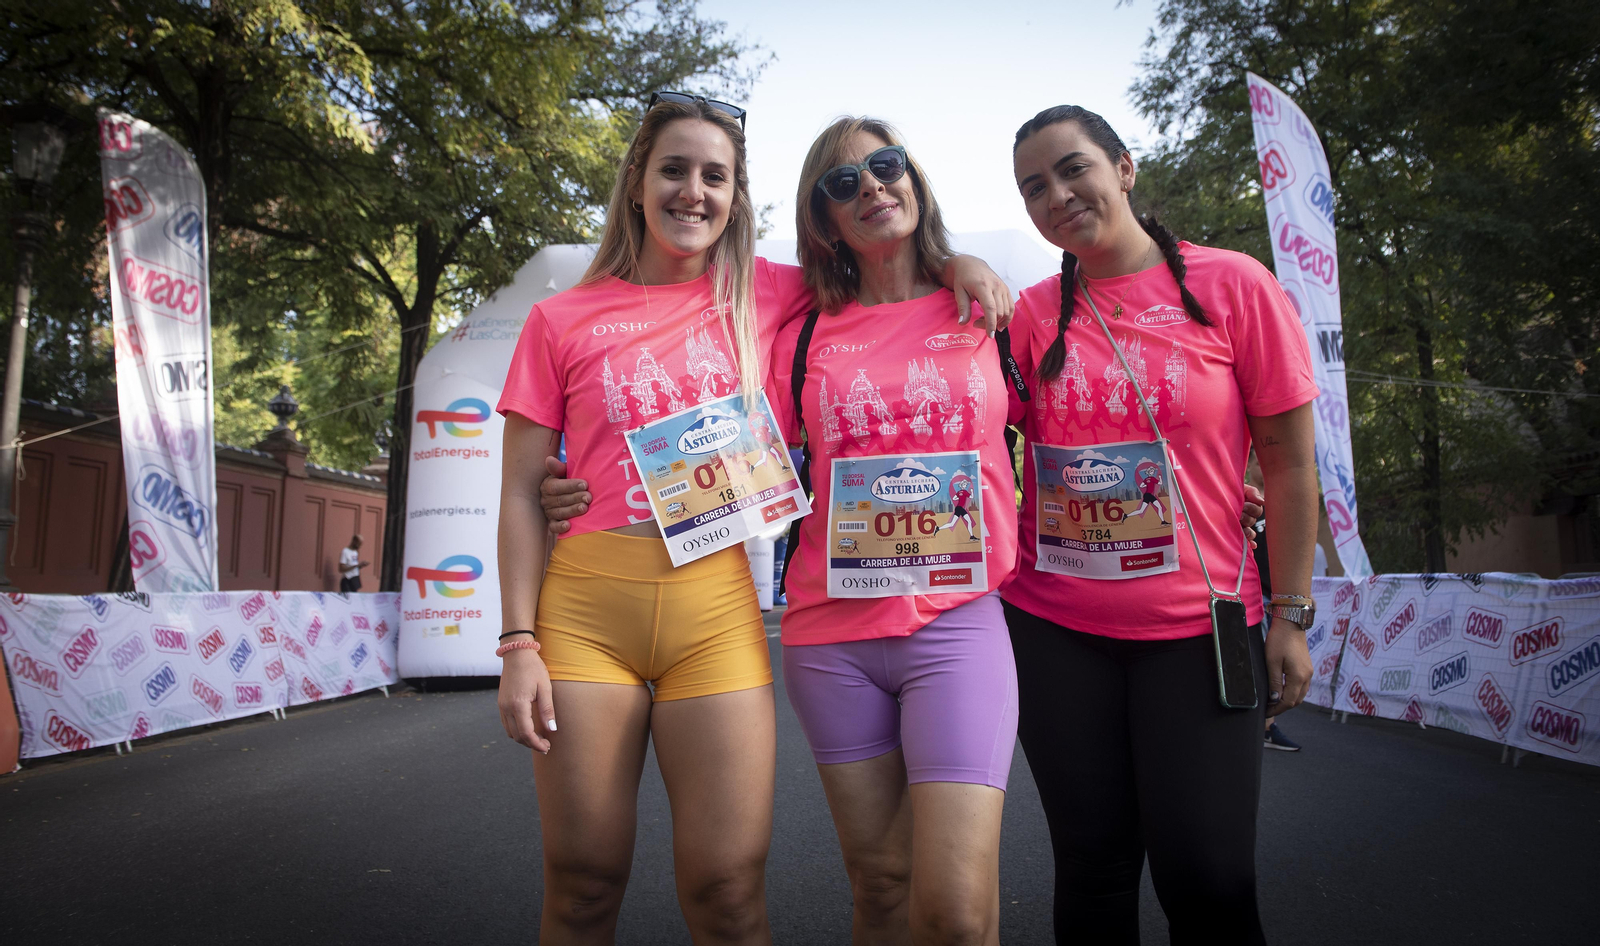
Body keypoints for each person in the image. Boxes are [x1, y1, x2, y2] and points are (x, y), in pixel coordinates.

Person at [493, 92, 1012, 945]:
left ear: (737, 196)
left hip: (716, 614)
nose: (692, 192)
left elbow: (886, 263)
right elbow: (520, 490)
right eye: (673, 170)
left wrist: (959, 266)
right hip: (587, 613)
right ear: (636, 182)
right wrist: (518, 645)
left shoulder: (774, 295)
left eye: (715, 176)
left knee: (729, 890)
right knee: (583, 884)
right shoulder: (559, 319)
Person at [1003, 105, 1317, 943]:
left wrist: (1291, 615)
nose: (1058, 196)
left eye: (1074, 170)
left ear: (1125, 167)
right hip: (1053, 628)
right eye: (1034, 188)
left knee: (1208, 879)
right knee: (1095, 874)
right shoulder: (1029, 316)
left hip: (1199, 628)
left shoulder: (1234, 285)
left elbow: (1289, 463)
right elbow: (967, 434)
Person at [768, 118, 1019, 945]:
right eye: (844, 184)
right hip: (829, 638)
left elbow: (1075, 411)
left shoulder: (983, 303)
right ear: (823, 219)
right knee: (879, 886)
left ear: (913, 179)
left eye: (886, 166)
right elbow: (734, 458)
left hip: (956, 626)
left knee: (955, 911)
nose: (872, 187)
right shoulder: (797, 333)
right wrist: (570, 487)